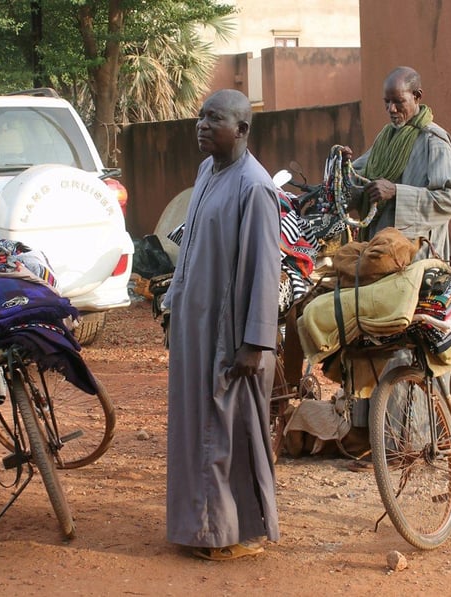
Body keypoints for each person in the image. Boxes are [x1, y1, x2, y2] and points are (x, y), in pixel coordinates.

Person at [163, 89, 281, 561]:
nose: (203, 125)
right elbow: (190, 253)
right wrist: (173, 306)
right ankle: (198, 527)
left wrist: (255, 342)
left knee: (225, 432)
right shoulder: (207, 173)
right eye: (200, 117)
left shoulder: (255, 187)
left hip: (231, 335)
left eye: (215, 119)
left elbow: (265, 271)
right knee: (196, 429)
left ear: (243, 129)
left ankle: (224, 535)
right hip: (196, 328)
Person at [344, 66, 451, 261]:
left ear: (417, 96)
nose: (391, 109)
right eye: (387, 102)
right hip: (379, 247)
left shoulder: (433, 141)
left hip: (417, 253)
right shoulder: (387, 137)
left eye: (398, 102)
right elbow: (360, 176)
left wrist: (396, 192)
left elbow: (449, 198)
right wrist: (342, 167)